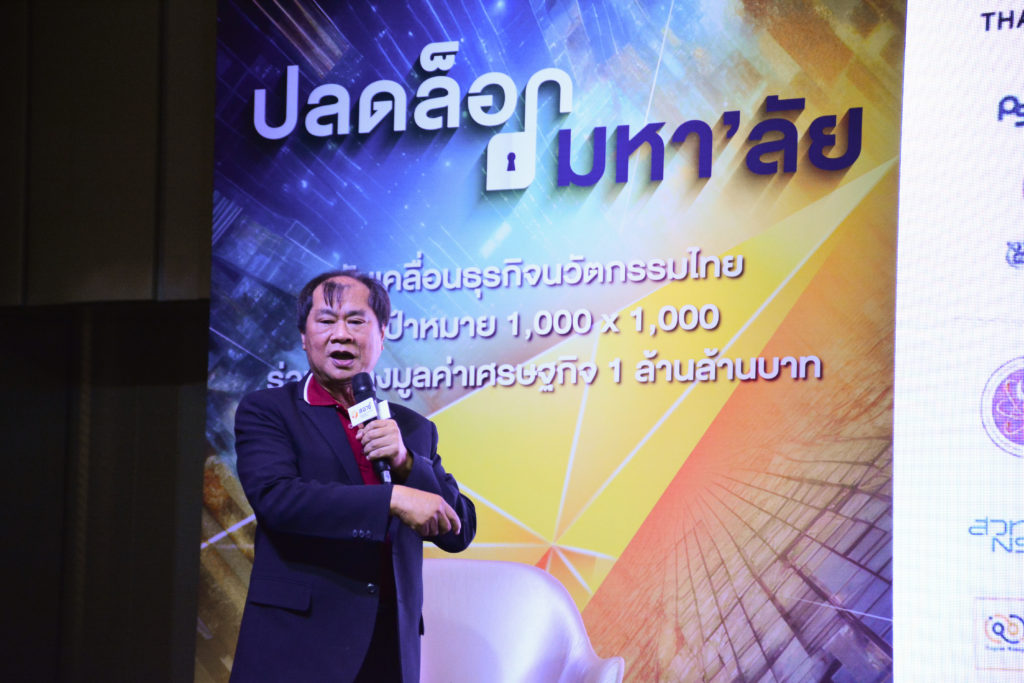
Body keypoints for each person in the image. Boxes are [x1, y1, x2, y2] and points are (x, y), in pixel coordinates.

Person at [230, 270, 476, 682]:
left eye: (356, 321)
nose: (341, 334)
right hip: (297, 647)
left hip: (387, 649)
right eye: (326, 321)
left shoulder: (412, 429)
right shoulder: (269, 410)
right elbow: (276, 499)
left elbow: (459, 529)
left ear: (382, 334)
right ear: (304, 336)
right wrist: (392, 499)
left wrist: (406, 463)